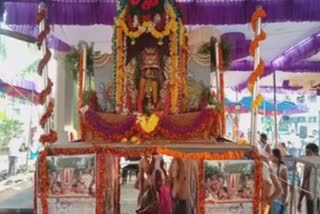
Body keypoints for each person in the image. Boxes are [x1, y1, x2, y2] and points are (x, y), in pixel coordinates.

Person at [298, 143, 320, 214]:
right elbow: (304, 182)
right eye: (306, 153)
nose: (307, 155)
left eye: (309, 153)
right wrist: (300, 200)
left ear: (316, 153)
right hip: (309, 197)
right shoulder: (307, 165)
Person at [270, 148, 289, 214]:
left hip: (279, 196)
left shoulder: (283, 168)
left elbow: (286, 185)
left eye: (272, 155)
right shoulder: (271, 165)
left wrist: (286, 199)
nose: (270, 157)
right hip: (272, 194)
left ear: (277, 157)